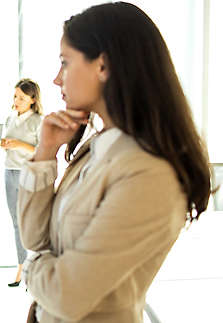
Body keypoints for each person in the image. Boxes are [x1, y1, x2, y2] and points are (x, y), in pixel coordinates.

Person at [18, 2, 211, 323]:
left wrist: (34, 266)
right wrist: (45, 153)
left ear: (103, 66)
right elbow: (34, 238)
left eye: (65, 63)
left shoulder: (148, 173)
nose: (55, 78)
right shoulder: (98, 145)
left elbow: (68, 294)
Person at [0, 78, 42, 287]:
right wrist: (4, 144)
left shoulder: (38, 121)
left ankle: (35, 267)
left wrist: (18, 144)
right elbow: (7, 143)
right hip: (10, 173)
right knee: (16, 222)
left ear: (32, 100)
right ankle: (21, 266)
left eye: (21, 98)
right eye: (15, 96)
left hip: (28, 175)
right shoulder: (9, 118)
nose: (16, 100)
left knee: (30, 222)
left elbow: (40, 151)